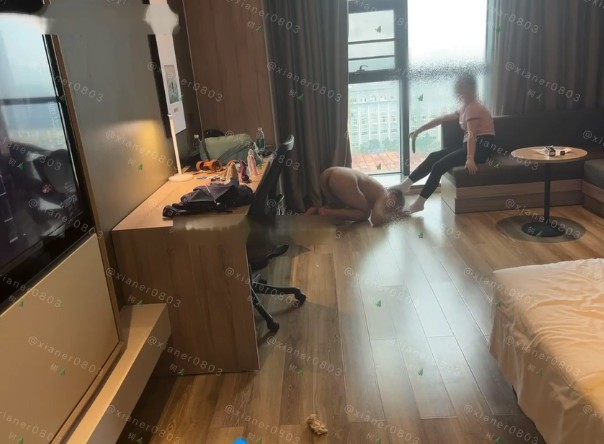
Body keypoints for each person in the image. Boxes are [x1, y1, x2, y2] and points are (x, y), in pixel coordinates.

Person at [396, 73, 496, 214]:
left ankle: (419, 203)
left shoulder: (474, 107)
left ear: (469, 88)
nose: (457, 89)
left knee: (438, 166)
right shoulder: (464, 107)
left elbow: (472, 134)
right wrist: (419, 130)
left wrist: (470, 158)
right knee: (433, 156)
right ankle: (406, 185)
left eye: (461, 86)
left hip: (481, 148)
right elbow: (442, 119)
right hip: (469, 145)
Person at [306, 167, 405, 226]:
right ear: (393, 195)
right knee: (365, 213)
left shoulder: (377, 190)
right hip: (343, 179)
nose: (388, 208)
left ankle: (317, 211)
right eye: (392, 206)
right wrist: (392, 218)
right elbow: (375, 219)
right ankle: (326, 213)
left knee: (343, 206)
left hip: (328, 175)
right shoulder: (385, 194)